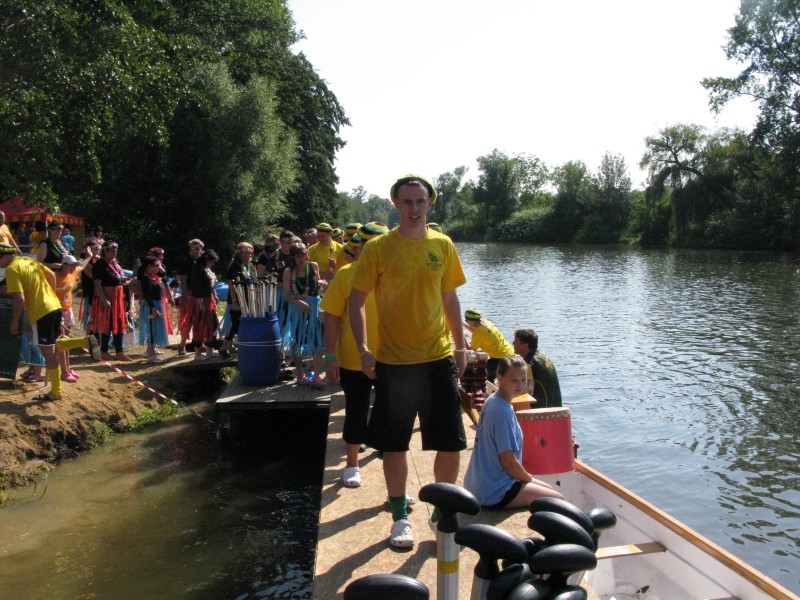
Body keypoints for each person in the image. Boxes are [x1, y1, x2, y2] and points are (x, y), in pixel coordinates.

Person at [349, 174, 468, 548]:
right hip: (395, 362)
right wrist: (364, 349)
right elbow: (356, 300)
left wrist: (461, 346)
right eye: (407, 202)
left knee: (450, 442)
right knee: (395, 443)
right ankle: (400, 516)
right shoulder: (379, 248)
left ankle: (441, 511)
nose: (414, 209)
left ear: (430, 203)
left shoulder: (443, 245)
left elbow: (450, 298)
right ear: (396, 204)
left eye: (420, 201)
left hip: (438, 358)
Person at [321, 222, 389, 489]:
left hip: (392, 357)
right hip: (353, 358)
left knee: (390, 411)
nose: (371, 252)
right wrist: (330, 357)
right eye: (365, 247)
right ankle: (351, 464)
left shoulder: (395, 275)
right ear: (357, 249)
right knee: (356, 409)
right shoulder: (346, 274)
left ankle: (390, 465)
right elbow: (331, 317)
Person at [1, 243, 99, 401]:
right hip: (55, 306)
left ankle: (56, 392)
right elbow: (52, 276)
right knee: (53, 346)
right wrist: (50, 295)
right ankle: (84, 341)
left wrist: (14, 322)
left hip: (41, 312)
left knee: (49, 354)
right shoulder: (28, 260)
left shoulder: (12, 269)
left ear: (5, 256)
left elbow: (19, 299)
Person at [464, 355, 563, 508]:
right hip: (494, 492)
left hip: (476, 485)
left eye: (523, 380)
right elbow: (509, 462)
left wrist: (528, 479)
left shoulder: (493, 401)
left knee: (549, 488)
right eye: (514, 380)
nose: (520, 385)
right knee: (558, 500)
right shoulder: (502, 411)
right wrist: (528, 478)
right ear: (500, 378)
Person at [282, 243, 324, 388]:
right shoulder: (288, 272)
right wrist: (299, 303)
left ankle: (316, 376)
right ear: (293, 257)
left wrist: (323, 290)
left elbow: (318, 286)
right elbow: (287, 296)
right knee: (298, 339)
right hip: (297, 308)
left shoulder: (313, 266)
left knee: (318, 338)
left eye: (303, 255)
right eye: (298, 256)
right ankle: (300, 374)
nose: (301, 259)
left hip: (314, 306)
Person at [90, 241, 132, 362]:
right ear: (105, 251)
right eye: (112, 251)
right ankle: (104, 351)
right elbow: (97, 284)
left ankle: (119, 351)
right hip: (107, 296)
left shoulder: (114, 264)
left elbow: (119, 278)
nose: (115, 253)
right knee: (107, 323)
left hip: (117, 297)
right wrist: (104, 300)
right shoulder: (99, 265)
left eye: (116, 251)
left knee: (118, 322)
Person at [54, 253, 93, 381]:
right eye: (71, 265)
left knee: (67, 340)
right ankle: (64, 372)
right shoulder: (53, 277)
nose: (73, 267)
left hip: (67, 309)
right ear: (63, 265)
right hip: (56, 310)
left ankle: (68, 369)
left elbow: (82, 266)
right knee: (61, 342)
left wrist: (90, 256)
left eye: (74, 265)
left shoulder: (73, 272)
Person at [219, 243, 255, 358]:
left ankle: (227, 347)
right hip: (237, 299)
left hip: (246, 299)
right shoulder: (234, 267)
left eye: (250, 253)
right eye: (247, 253)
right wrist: (234, 301)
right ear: (241, 253)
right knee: (235, 324)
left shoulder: (247, 266)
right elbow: (231, 285)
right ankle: (224, 347)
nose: (249, 255)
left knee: (239, 324)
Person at [513, 328, 563, 408]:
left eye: (516, 341)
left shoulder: (529, 364)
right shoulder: (542, 356)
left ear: (525, 346)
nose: (513, 343)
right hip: (556, 407)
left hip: (544, 410)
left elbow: (529, 391)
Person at [463, 308, 515, 381]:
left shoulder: (479, 332)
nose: (466, 322)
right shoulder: (486, 323)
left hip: (499, 357)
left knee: (485, 376)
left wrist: (463, 339)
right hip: (509, 351)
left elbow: (471, 349)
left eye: (466, 320)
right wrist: (462, 324)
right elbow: (475, 330)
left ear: (471, 321)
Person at [188, 249, 220, 360]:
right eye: (211, 261)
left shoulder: (207, 269)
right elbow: (195, 287)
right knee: (200, 325)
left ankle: (210, 350)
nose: (213, 263)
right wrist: (200, 303)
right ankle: (197, 353)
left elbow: (211, 285)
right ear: (206, 260)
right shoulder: (198, 270)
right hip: (201, 301)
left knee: (212, 324)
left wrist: (214, 294)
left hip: (209, 299)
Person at [175, 239, 204, 355]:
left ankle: (199, 343)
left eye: (197, 248)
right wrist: (186, 295)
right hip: (190, 295)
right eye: (192, 248)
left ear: (201, 249)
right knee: (188, 320)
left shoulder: (203, 261)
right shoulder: (186, 262)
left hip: (201, 294)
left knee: (200, 320)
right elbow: (183, 280)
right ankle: (182, 345)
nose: (194, 251)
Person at [138, 257, 169, 363]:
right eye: (156, 266)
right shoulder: (146, 280)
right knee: (151, 329)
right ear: (149, 267)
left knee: (155, 328)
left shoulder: (154, 277)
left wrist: (161, 269)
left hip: (156, 304)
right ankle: (151, 355)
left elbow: (164, 276)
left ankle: (149, 351)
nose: (158, 268)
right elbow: (147, 296)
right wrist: (154, 309)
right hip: (151, 306)